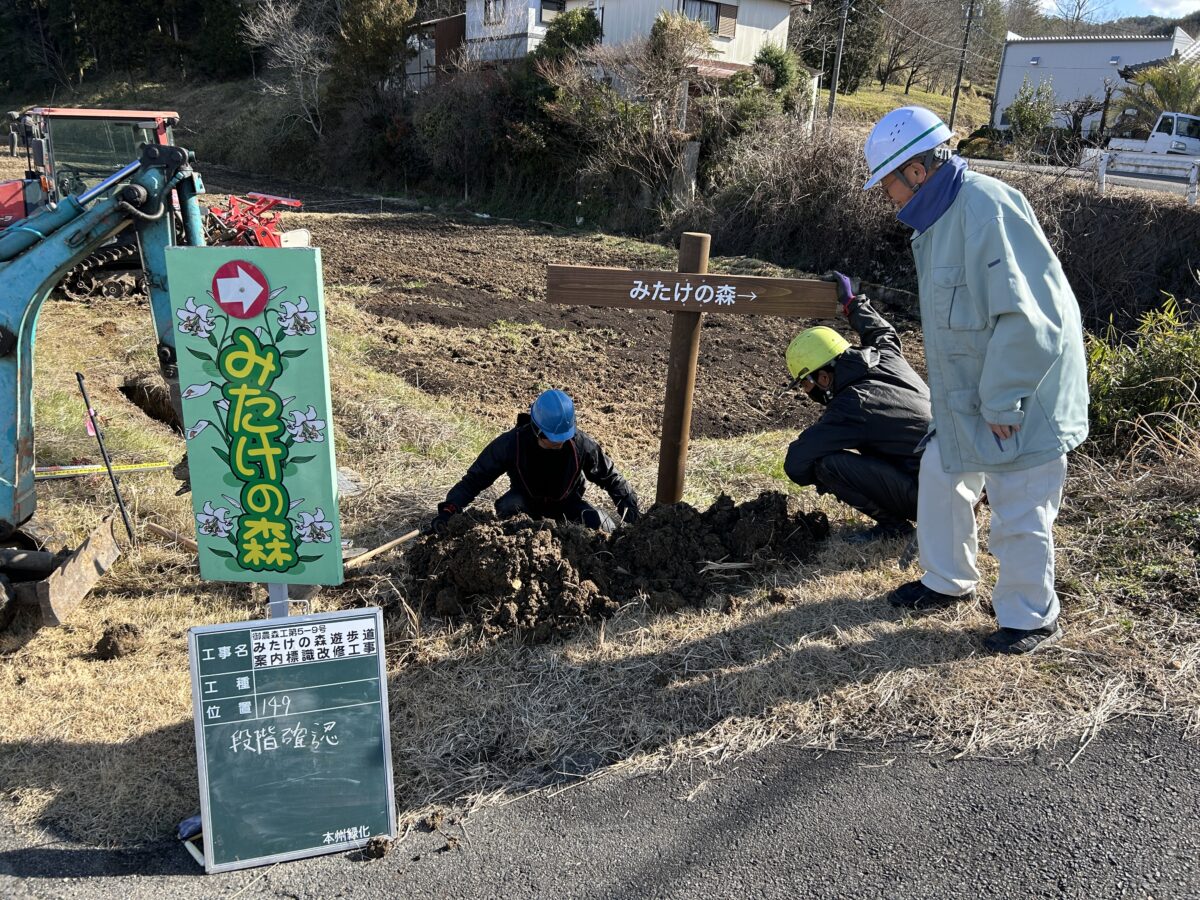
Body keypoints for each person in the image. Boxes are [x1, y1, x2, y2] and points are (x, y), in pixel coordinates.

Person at [859, 105, 1089, 655]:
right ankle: (948, 579)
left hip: (1022, 391)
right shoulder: (940, 219)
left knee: (1019, 503)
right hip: (973, 393)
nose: (887, 196)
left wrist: (1003, 401)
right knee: (942, 472)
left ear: (917, 171)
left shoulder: (987, 209)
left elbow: (1033, 318)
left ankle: (1031, 617)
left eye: (887, 184)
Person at [783, 279, 932, 544]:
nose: (805, 391)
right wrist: (851, 301)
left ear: (824, 378)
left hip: (933, 500)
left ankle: (894, 528)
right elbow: (881, 330)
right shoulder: (887, 356)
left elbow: (796, 463)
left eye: (805, 384)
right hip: (965, 485)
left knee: (826, 465)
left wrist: (827, 482)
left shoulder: (852, 405)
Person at [430, 389, 640, 534]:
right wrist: (450, 509)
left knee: (603, 525)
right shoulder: (512, 444)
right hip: (525, 504)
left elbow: (611, 477)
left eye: (564, 437)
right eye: (553, 439)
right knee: (508, 505)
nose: (560, 443)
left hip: (568, 504)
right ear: (537, 429)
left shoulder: (581, 445)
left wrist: (631, 512)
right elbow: (475, 479)